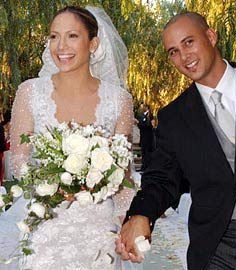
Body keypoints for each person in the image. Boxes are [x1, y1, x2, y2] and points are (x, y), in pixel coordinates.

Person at [117, 11, 236, 270]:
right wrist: (141, 214)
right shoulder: (173, 117)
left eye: (189, 42)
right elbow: (162, 179)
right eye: (173, 51)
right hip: (217, 246)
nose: (183, 57)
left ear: (210, 36)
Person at [0, 6, 138, 270]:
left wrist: (124, 221)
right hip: (46, 227)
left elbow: (125, 174)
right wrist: (55, 184)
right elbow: (18, 160)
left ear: (93, 43)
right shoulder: (29, 92)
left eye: (72, 36)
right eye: (54, 36)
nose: (61, 46)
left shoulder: (119, 100)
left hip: (99, 232)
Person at [137, 104, 154, 171]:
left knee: (148, 153)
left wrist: (141, 124)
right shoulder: (141, 115)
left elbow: (149, 125)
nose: (141, 107)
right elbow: (140, 125)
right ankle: (143, 167)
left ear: (146, 107)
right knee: (143, 152)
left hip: (148, 137)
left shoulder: (151, 115)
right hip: (143, 137)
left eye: (143, 106)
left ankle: (148, 167)